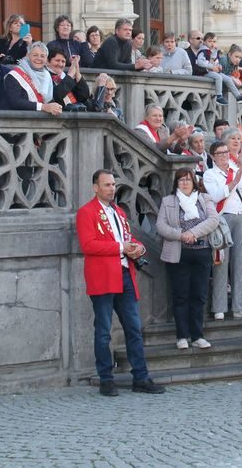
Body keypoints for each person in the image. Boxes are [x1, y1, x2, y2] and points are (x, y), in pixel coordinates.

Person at [77, 169, 164, 396]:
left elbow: (126, 239)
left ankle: (141, 378)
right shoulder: (87, 212)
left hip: (125, 274)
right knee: (104, 331)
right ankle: (106, 379)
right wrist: (120, 248)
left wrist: (138, 247)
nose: (112, 188)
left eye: (113, 184)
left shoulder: (118, 211)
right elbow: (88, 245)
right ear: (95, 187)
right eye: (106, 185)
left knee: (134, 329)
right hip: (103, 278)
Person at [156, 167, 220, 350]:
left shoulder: (204, 198)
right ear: (176, 183)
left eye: (188, 179)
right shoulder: (168, 201)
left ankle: (197, 335)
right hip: (178, 253)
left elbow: (213, 220)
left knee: (199, 295)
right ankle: (182, 336)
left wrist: (192, 233)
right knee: (181, 295)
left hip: (202, 252)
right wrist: (180, 235)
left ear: (194, 182)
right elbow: (161, 225)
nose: (184, 183)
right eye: (181, 180)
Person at [204, 140, 242, 321]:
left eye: (226, 152)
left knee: (239, 262)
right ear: (212, 156)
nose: (225, 156)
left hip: (240, 217)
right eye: (220, 153)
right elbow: (216, 196)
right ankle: (219, 307)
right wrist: (234, 181)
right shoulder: (209, 174)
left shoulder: (235, 168)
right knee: (220, 262)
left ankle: (239, 306)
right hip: (222, 219)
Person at [1, 41, 62, 114]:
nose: (39, 58)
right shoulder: (14, 75)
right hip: (16, 121)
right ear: (28, 56)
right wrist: (43, 107)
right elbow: (16, 102)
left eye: (42, 56)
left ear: (46, 60)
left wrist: (55, 107)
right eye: (35, 55)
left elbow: (48, 100)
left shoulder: (47, 75)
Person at [195, 32, 242, 104]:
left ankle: (238, 96)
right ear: (204, 42)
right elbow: (199, 62)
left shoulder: (214, 51)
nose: (212, 43)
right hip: (203, 72)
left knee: (228, 78)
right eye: (210, 41)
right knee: (219, 77)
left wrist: (218, 66)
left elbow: (215, 61)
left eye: (214, 41)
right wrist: (212, 66)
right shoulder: (203, 51)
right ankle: (219, 97)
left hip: (211, 71)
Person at [46, 47, 93, 111]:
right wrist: (70, 75)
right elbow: (57, 96)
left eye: (63, 61)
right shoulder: (44, 75)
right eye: (57, 60)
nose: (60, 64)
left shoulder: (65, 76)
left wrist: (77, 71)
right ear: (48, 62)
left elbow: (84, 96)